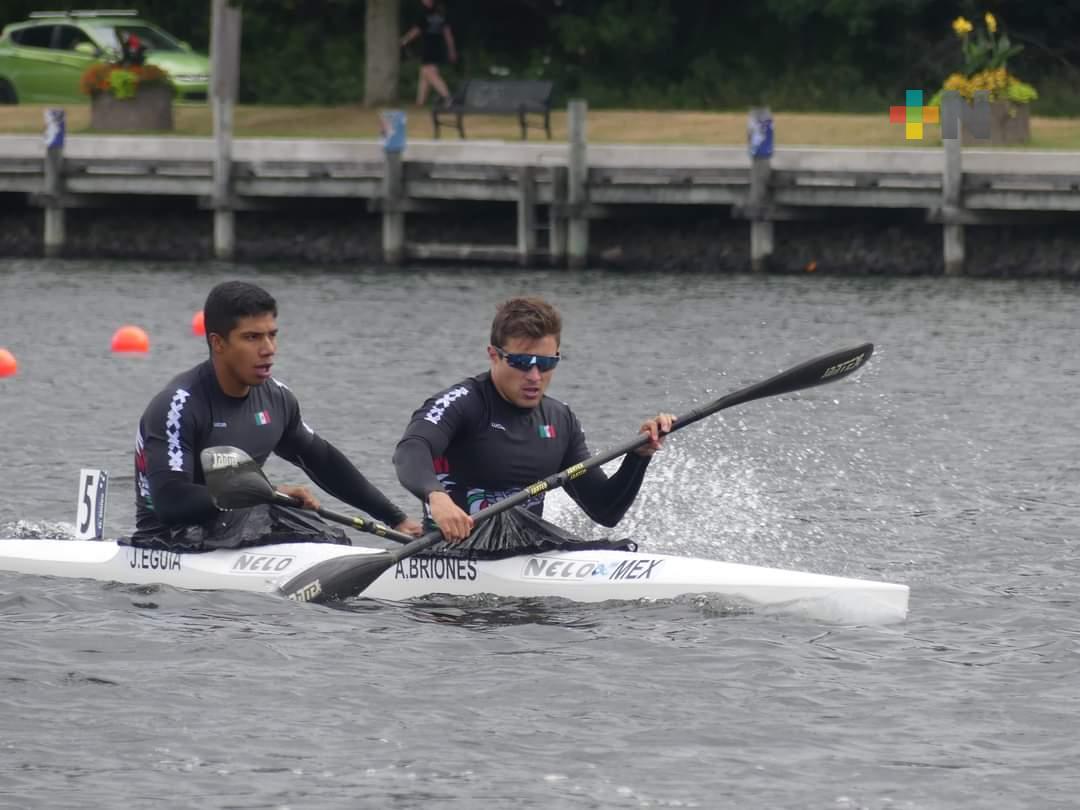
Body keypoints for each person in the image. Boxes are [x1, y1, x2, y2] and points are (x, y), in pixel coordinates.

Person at [130, 281, 422, 550]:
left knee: (319, 533)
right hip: (169, 538)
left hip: (239, 524)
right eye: (252, 337)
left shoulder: (277, 399)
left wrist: (396, 519)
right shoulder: (177, 406)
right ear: (218, 343)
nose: (268, 349)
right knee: (283, 514)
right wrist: (268, 493)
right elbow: (170, 501)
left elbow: (323, 461)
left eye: (272, 335)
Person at [393, 297, 674, 544]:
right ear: (493, 355)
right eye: (522, 363)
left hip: (524, 555)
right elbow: (411, 449)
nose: (535, 377)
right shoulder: (461, 404)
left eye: (547, 364)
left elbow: (605, 510)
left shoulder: (560, 420)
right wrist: (435, 495)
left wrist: (639, 456)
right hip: (454, 554)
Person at [400, 0, 458, 107]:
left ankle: (448, 97)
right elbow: (447, 34)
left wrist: (405, 40)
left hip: (430, 48)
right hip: (435, 48)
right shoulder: (439, 13)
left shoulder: (425, 13)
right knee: (424, 74)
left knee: (430, 74)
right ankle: (419, 103)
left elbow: (417, 30)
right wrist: (451, 50)